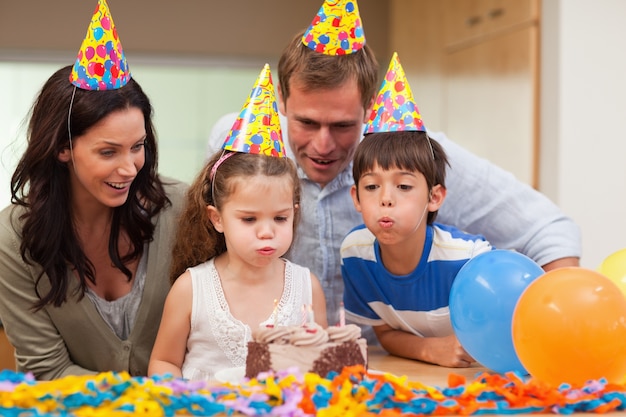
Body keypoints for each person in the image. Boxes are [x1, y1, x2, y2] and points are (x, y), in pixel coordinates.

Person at [207, 0, 581, 328]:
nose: (323, 144)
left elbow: (547, 230)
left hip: (387, 366)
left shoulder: (417, 157)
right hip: (274, 361)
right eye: (306, 123)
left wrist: (557, 327)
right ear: (282, 104)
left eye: (342, 126)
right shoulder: (240, 145)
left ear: (369, 109)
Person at [0, 0, 187, 381]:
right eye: (108, 151)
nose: (129, 167)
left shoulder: (182, 208)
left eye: (137, 147)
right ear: (62, 148)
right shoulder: (13, 238)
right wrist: (143, 401)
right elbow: (47, 371)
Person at [148, 65, 327, 381]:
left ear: (295, 213)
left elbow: (322, 370)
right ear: (216, 218)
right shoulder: (191, 289)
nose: (266, 231)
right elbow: (164, 363)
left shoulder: (307, 289)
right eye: (248, 219)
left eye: (280, 218)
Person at [341, 53, 493, 368]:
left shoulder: (469, 259)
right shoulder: (355, 254)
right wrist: (430, 350)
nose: (386, 199)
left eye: (404, 187)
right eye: (372, 187)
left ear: (434, 197)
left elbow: (500, 332)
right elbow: (383, 331)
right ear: (356, 198)